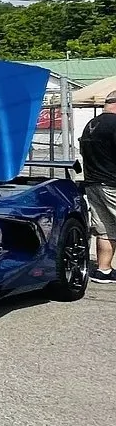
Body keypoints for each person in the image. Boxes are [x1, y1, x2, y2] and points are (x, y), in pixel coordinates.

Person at [80, 91, 116, 283]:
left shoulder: (91, 125)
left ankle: (103, 270)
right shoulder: (114, 124)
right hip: (112, 183)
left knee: (106, 228)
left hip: (93, 182)